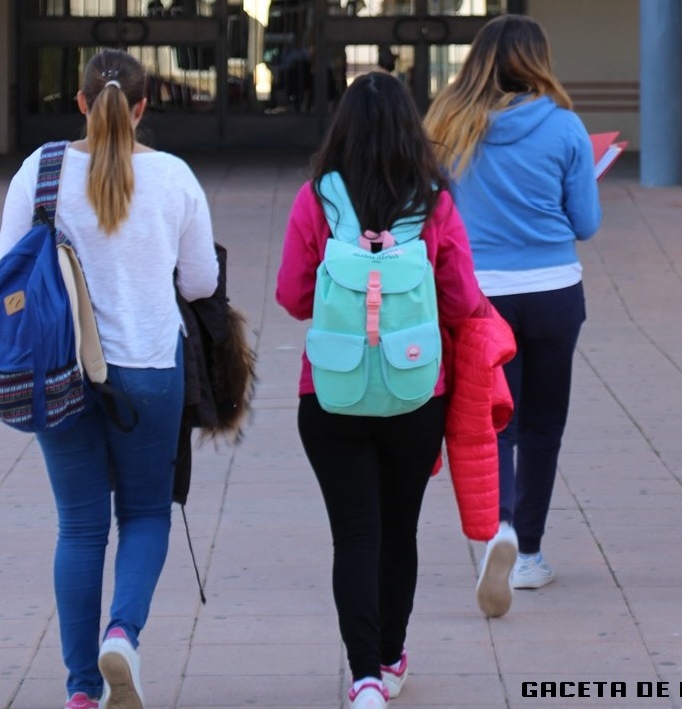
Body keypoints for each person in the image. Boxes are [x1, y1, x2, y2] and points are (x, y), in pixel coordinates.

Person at [0, 48, 219, 709]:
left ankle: (81, 690)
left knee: (79, 526)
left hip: (60, 370)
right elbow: (200, 283)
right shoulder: (174, 177)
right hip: (149, 367)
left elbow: (8, 270)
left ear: (80, 102)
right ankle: (122, 632)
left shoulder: (40, 171)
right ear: (143, 107)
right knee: (146, 512)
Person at [275, 70, 483, 709]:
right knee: (399, 532)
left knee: (355, 535)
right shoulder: (434, 202)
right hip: (416, 394)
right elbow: (462, 301)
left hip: (330, 395)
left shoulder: (316, 200)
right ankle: (390, 659)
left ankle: (363, 676)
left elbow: (292, 296)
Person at [423, 14, 602, 618]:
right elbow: (586, 223)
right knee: (544, 424)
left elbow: (432, 212)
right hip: (554, 290)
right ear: (537, 61)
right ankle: (528, 553)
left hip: (480, 297)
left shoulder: (448, 123)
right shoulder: (565, 126)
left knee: (492, 420)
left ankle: (497, 528)